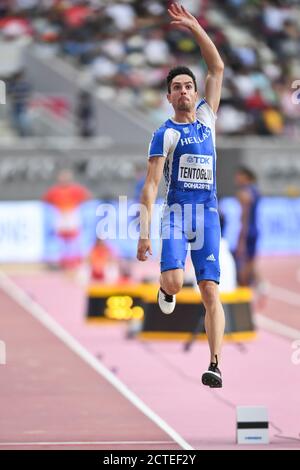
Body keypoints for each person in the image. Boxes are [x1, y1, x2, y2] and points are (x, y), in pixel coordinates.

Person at [137, 3, 225, 388]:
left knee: (209, 289)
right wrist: (143, 232)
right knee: (174, 284)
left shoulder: (208, 117)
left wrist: (194, 27)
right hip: (176, 214)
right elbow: (152, 185)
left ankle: (215, 364)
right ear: (169, 98)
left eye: (189, 85)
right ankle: (164, 286)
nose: (185, 91)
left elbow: (217, 67)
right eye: (177, 88)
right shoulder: (164, 133)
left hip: (207, 213)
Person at [43, 169, 92, 268]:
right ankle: (63, 260)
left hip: (71, 214)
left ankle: (76, 260)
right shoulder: (55, 190)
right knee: (62, 239)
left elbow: (87, 196)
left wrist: (77, 205)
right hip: (61, 214)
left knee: (74, 239)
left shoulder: (75, 189)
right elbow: (46, 199)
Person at [234, 166, 261, 287]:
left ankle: (245, 287)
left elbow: (245, 215)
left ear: (246, 177)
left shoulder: (244, 192)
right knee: (250, 260)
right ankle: (260, 283)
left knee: (243, 259)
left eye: (239, 175)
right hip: (254, 228)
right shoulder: (255, 190)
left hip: (248, 229)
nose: (236, 178)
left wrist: (242, 236)